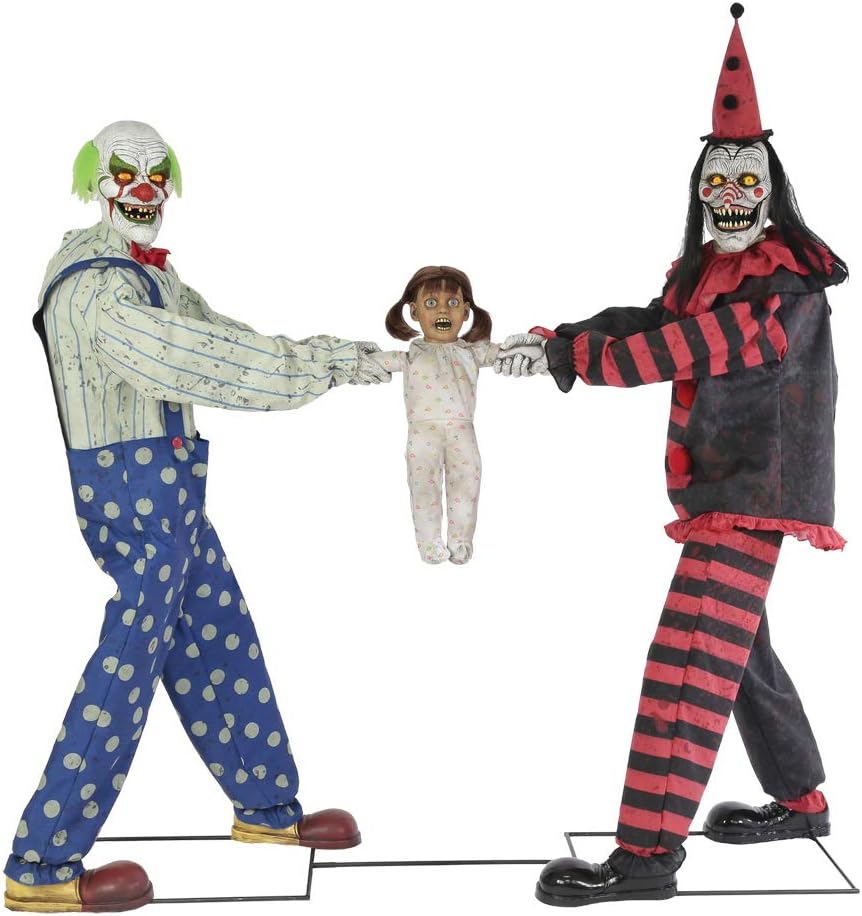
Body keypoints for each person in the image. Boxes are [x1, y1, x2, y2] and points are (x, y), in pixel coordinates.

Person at [496, 6, 847, 906]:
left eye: (746, 179)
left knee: (689, 659)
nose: (730, 193)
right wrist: (562, 336)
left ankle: (648, 853)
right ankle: (801, 802)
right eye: (716, 178)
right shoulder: (713, 277)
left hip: (749, 499)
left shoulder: (779, 288)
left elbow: (679, 349)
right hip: (727, 494)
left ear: (772, 192)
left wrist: (577, 358)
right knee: (742, 652)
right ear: (699, 191)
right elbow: (654, 322)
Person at [4, 120, 390, 914]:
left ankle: (265, 807)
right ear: (95, 182)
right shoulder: (94, 285)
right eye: (125, 173)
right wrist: (322, 366)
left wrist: (342, 357)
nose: (144, 189)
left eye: (156, 173)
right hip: (128, 484)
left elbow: (218, 334)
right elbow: (191, 359)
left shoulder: (148, 274)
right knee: (129, 661)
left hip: (169, 480)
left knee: (216, 630)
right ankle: (40, 863)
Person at [376, 266, 497, 564]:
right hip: (422, 433)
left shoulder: (472, 353)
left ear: (466, 312)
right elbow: (375, 362)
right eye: (431, 303)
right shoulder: (411, 355)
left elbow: (505, 354)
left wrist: (536, 352)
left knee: (467, 483)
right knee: (423, 487)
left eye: (452, 303)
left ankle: (460, 541)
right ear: (414, 311)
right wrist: (348, 363)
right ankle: (429, 543)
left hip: (462, 430)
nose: (443, 310)